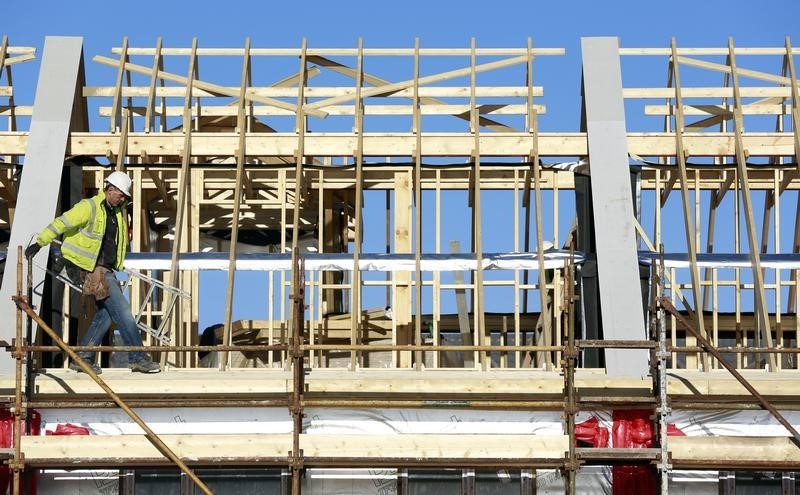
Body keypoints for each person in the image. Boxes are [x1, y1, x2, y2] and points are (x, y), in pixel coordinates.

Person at [25, 171, 160, 374]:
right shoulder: (89, 207)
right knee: (123, 311)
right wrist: (39, 243)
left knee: (106, 315)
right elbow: (62, 222)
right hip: (86, 268)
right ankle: (138, 357)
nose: (123, 199)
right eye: (121, 194)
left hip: (105, 270)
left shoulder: (116, 214)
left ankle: (83, 357)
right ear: (110, 189)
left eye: (125, 196)